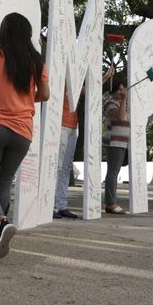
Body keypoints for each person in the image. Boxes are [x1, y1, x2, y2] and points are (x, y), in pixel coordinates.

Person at [0, 12, 49, 258]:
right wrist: (23, 99)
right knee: (4, 183)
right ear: (27, 35)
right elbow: (44, 95)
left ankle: (1, 222)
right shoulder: (35, 61)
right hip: (23, 131)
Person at [54, 68, 112, 219]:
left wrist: (105, 77)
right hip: (59, 126)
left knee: (66, 167)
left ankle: (62, 206)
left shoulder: (75, 84)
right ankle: (50, 205)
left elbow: (90, 90)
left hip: (73, 127)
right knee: (57, 166)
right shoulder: (59, 80)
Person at [103, 77, 130, 214]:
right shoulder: (110, 104)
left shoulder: (123, 103)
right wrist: (124, 99)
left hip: (123, 142)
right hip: (115, 141)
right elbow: (120, 117)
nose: (121, 92)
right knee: (113, 172)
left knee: (115, 172)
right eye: (119, 89)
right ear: (113, 90)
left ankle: (111, 202)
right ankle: (110, 203)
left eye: (123, 89)